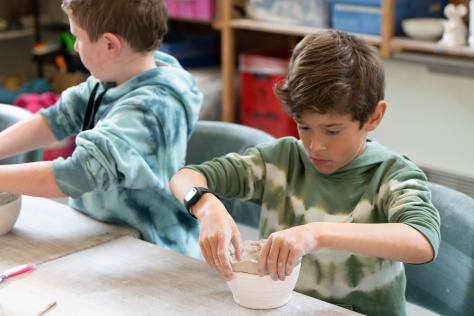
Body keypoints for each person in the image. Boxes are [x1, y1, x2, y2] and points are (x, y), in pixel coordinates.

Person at [170, 30, 440, 315]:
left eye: (332, 130)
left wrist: (318, 234)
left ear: (374, 116)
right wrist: (206, 206)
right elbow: (184, 177)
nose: (315, 145)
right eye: (304, 126)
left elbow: (422, 240)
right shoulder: (282, 159)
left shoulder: (390, 174)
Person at [0, 0, 203, 257]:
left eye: (78, 37)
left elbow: (77, 173)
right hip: (99, 235)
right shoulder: (111, 79)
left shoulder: (151, 108)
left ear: (110, 44)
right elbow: (57, 119)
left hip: (151, 251)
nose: (74, 46)